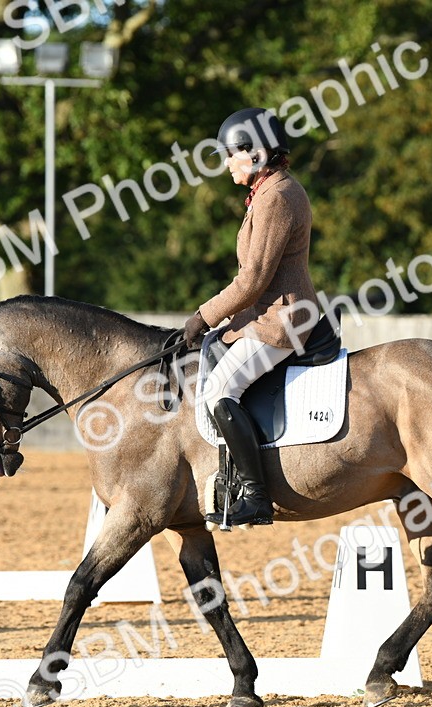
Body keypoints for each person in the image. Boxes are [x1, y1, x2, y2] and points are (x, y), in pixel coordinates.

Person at [182, 108, 318, 527]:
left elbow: (253, 280)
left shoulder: (277, 197)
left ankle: (256, 497)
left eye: (230, 154)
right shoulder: (269, 192)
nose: (226, 163)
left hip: (283, 322)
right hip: (266, 315)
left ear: (255, 154)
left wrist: (201, 318)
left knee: (219, 392)